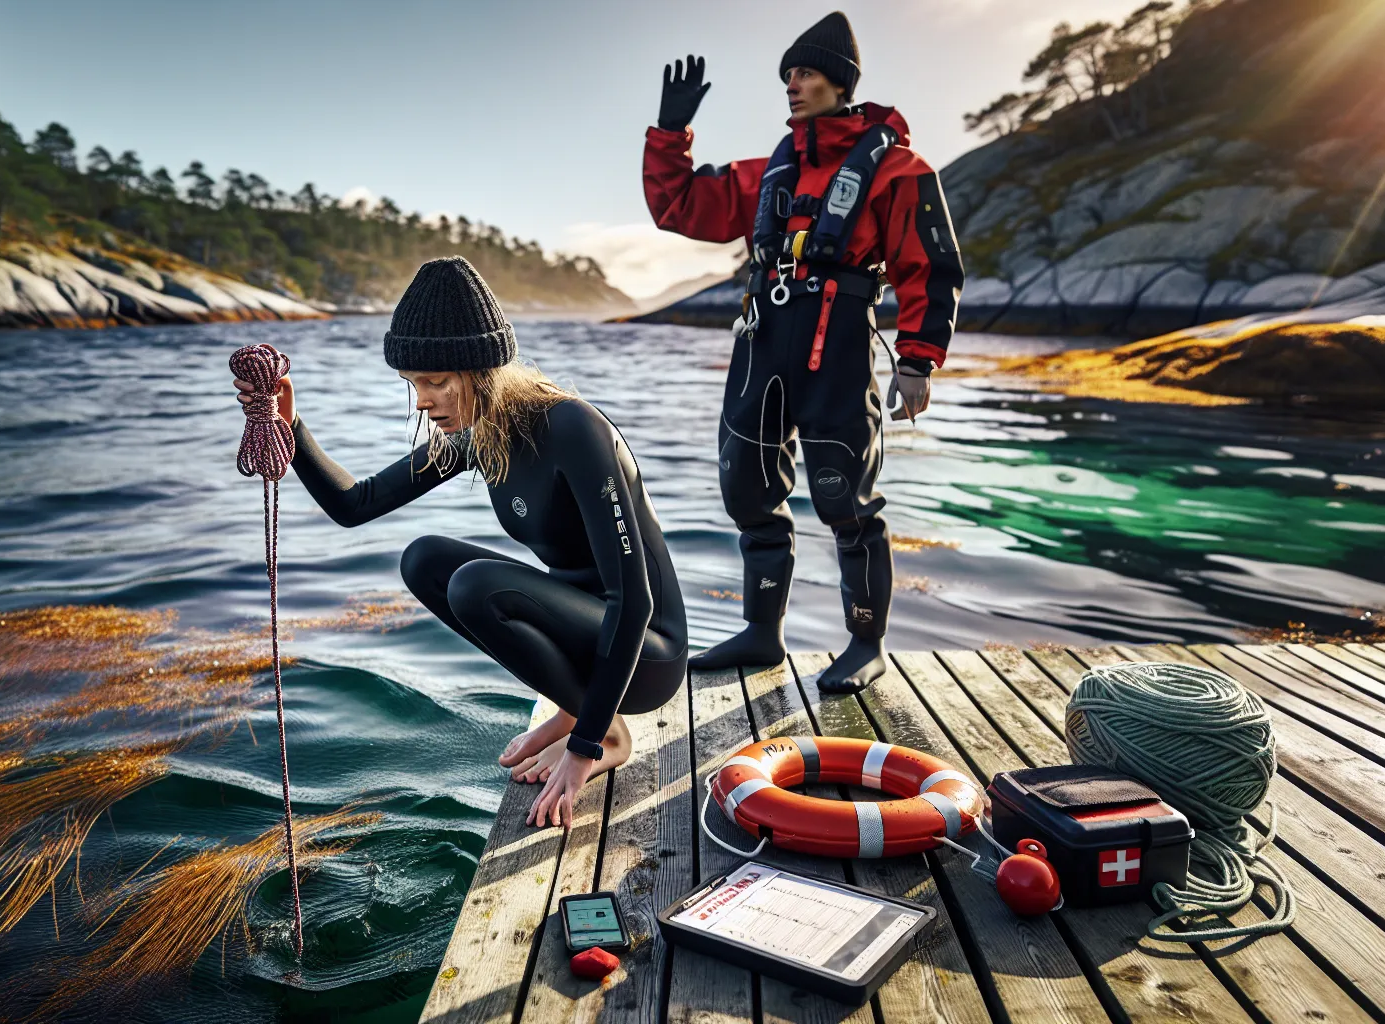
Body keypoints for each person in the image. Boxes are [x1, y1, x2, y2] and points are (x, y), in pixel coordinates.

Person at [232, 257, 687, 829]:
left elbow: (634, 602)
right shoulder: (479, 434)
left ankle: (601, 728)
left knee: (476, 586)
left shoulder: (571, 427)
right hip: (584, 638)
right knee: (423, 559)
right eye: (413, 385)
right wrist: (290, 427)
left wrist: (583, 750)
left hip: (647, 652)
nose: (422, 401)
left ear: (481, 369)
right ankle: (586, 713)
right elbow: (356, 505)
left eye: (436, 382)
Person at [643, 11, 965, 692]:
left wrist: (917, 361)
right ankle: (763, 635)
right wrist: (670, 134)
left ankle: (866, 642)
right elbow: (679, 206)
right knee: (747, 491)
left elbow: (930, 269)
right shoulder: (772, 171)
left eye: (806, 72)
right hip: (762, 345)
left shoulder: (899, 170)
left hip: (839, 349)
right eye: (787, 73)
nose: (792, 83)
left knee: (843, 497)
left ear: (841, 83)